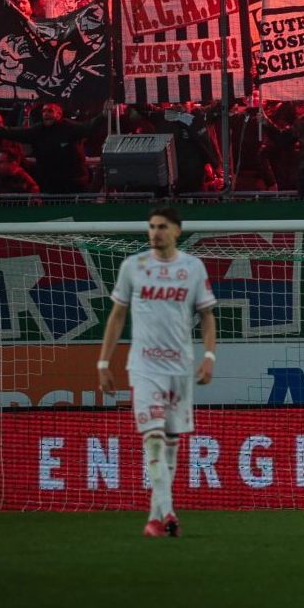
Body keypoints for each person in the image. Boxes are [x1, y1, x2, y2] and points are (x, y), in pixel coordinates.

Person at [96, 206, 217, 539]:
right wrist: (103, 362)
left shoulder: (193, 268)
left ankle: (154, 518)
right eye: (151, 227)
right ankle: (169, 511)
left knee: (172, 442)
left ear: (177, 230)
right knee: (152, 439)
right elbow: (117, 316)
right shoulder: (133, 266)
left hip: (180, 366)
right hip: (144, 366)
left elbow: (207, 316)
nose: (155, 232)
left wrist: (209, 357)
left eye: (162, 226)